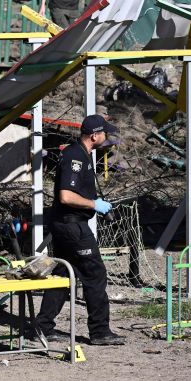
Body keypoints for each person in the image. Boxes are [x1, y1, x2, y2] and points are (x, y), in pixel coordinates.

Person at [34, 114, 126, 346]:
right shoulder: (75, 156)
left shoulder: (82, 155)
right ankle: (99, 331)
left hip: (69, 224)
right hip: (72, 225)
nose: (107, 138)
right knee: (95, 274)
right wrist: (94, 204)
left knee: (64, 274)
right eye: (104, 133)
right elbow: (65, 196)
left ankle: (43, 327)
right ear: (94, 135)